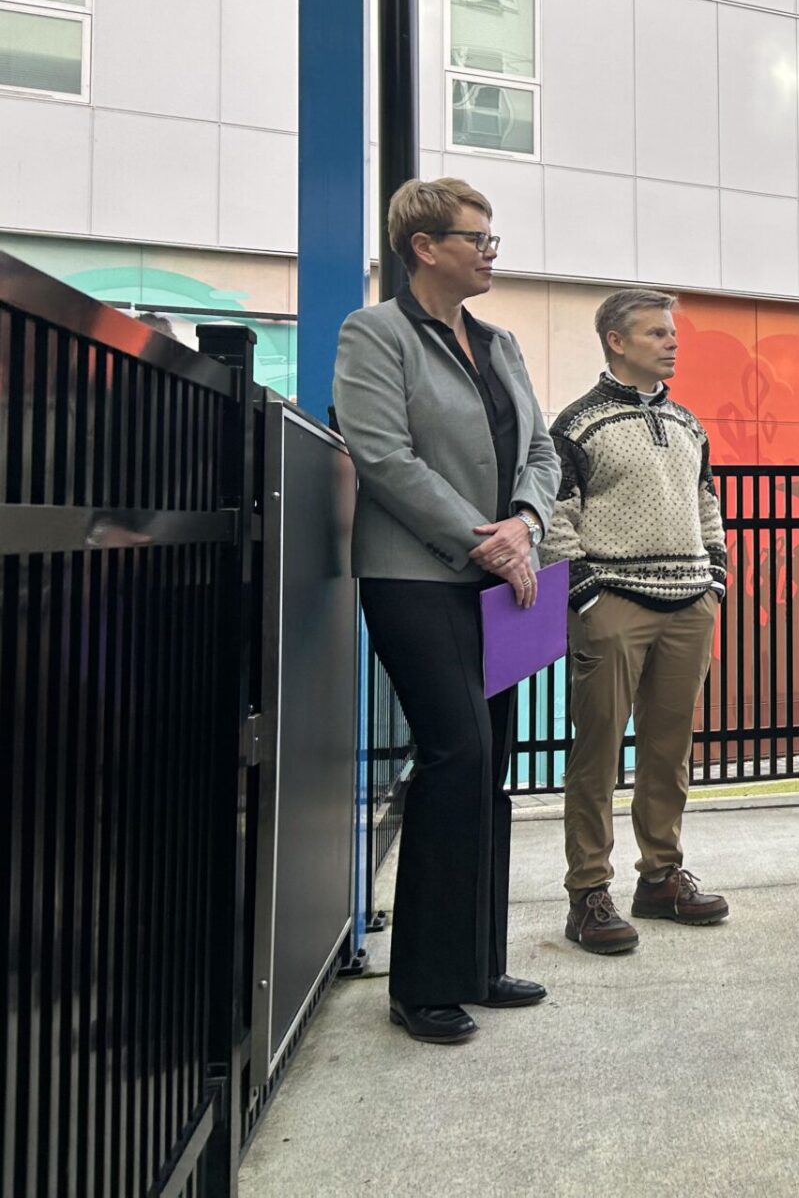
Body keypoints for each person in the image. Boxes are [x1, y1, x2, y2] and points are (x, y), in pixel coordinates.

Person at [333, 177, 560, 1044]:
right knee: (455, 752)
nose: (490, 253)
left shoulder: (500, 343)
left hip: (502, 578)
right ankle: (419, 984)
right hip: (414, 578)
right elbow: (384, 456)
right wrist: (481, 537)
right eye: (478, 239)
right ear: (424, 246)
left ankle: (476, 962)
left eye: (493, 239)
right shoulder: (375, 334)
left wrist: (529, 523)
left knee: (489, 763)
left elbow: (539, 447)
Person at [541, 289, 731, 953]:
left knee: (667, 752)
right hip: (613, 603)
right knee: (595, 753)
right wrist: (586, 592)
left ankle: (660, 877)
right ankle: (588, 893)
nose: (671, 343)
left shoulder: (687, 422)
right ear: (617, 342)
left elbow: (708, 505)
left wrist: (716, 576)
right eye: (656, 333)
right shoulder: (576, 424)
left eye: (671, 333)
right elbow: (556, 517)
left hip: (689, 605)